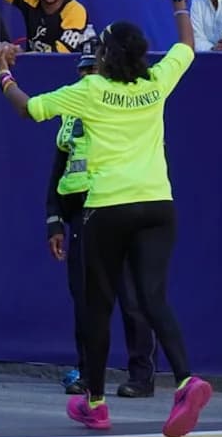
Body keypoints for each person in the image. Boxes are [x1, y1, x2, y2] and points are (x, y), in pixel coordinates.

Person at [0, 0, 213, 437]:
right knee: (153, 298)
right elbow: (187, 48)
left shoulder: (91, 89)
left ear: (107, 56)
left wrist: (3, 74)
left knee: (97, 304)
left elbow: (30, 109)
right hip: (158, 205)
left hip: (107, 207)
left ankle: (94, 401)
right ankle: (187, 378)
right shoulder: (155, 84)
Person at [48, 52, 157, 400]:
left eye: (93, 71)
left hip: (117, 206)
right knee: (85, 298)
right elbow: (58, 170)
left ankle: (142, 375)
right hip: (80, 213)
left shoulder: (124, 112)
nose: (87, 78)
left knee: (131, 297)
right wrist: (54, 221)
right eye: (82, 72)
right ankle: (88, 371)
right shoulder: (70, 114)